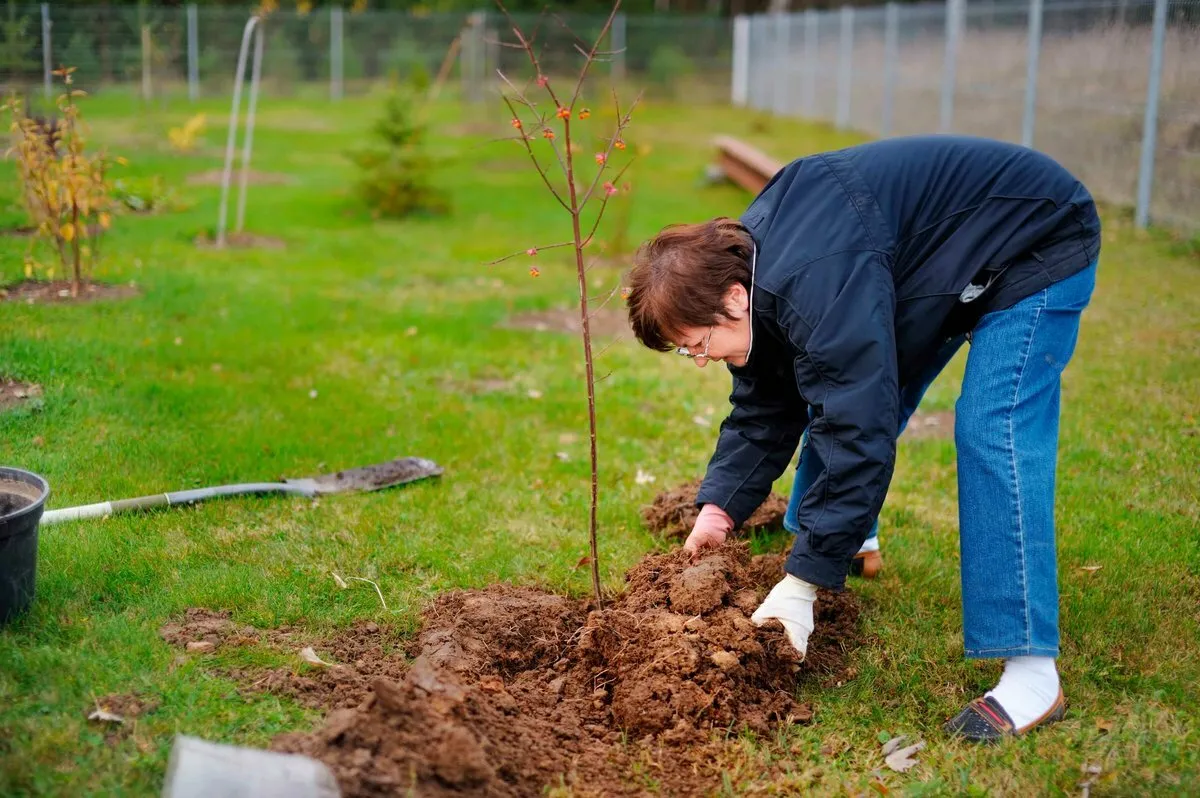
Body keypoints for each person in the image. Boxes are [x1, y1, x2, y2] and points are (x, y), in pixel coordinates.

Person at [624, 134, 1101, 742]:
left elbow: (856, 423)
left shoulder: (812, 280)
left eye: (695, 344)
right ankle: (844, 537)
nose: (697, 360)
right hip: (932, 259)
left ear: (733, 299)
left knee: (992, 428)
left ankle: (1033, 672)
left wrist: (801, 586)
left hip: (1033, 235)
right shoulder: (753, 273)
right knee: (847, 380)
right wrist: (719, 509)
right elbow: (766, 405)